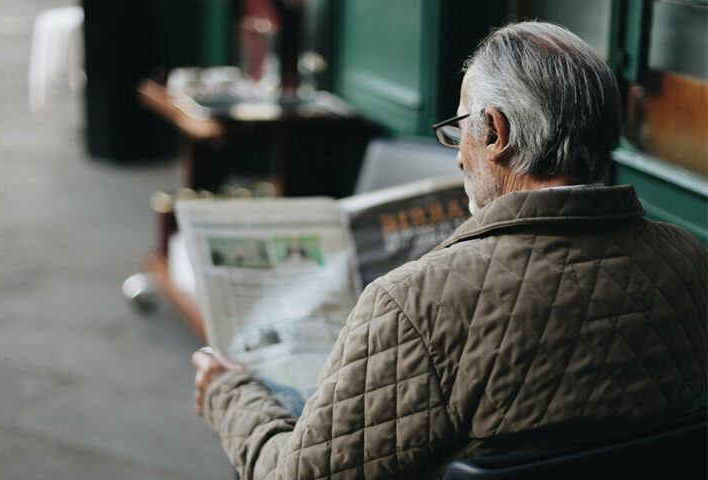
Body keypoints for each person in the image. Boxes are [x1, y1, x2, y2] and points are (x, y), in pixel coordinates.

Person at [191, 21, 707, 479]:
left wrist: (228, 393)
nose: (459, 158)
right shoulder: (690, 261)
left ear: (496, 132)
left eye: (460, 127)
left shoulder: (415, 305)